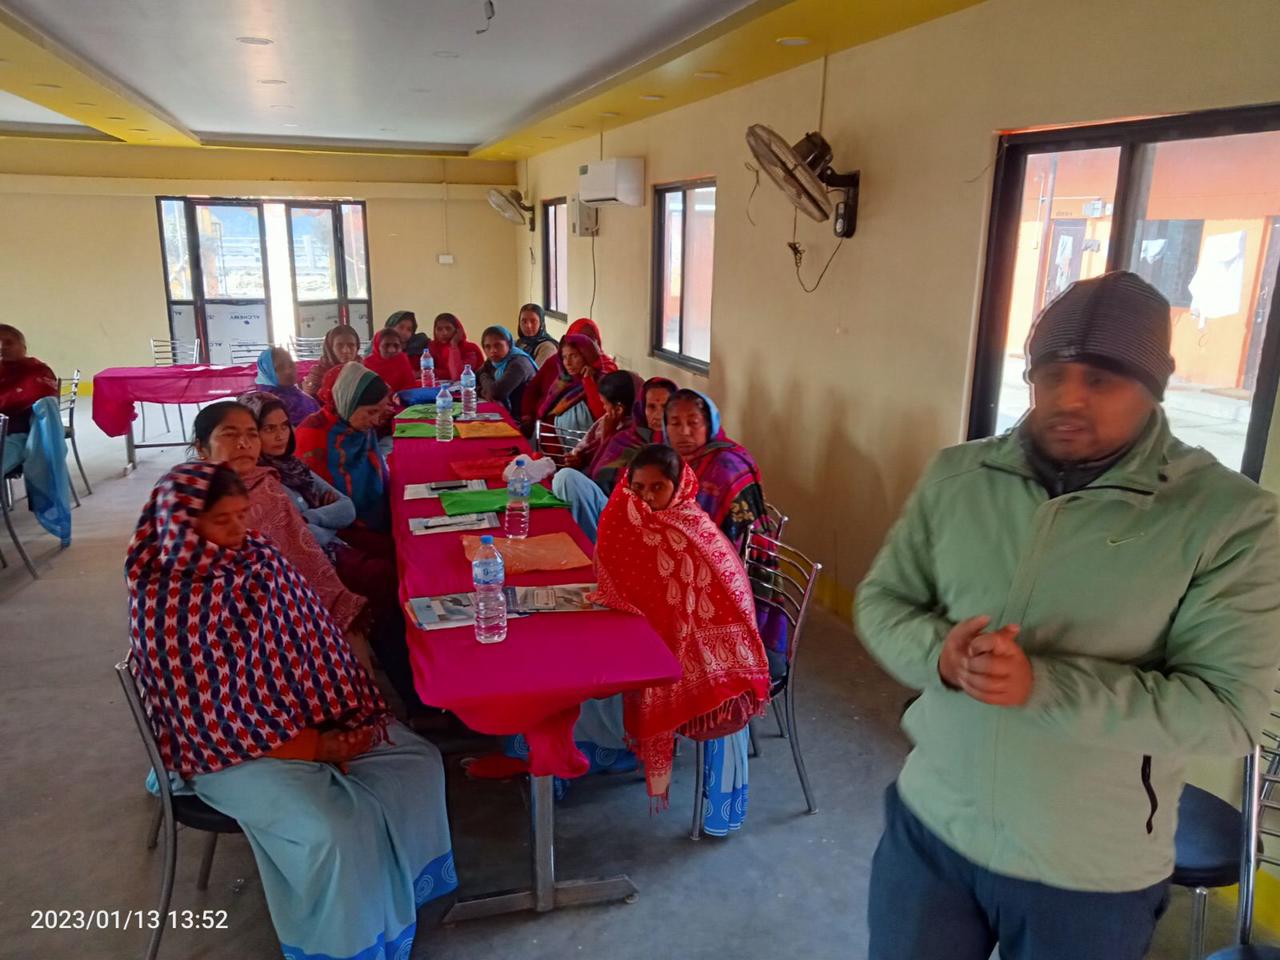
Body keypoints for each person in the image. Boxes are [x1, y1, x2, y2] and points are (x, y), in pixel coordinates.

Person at [856, 271, 1280, 960]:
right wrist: (941, 655)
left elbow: (1226, 711)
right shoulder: (958, 479)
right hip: (932, 827)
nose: (1068, 398)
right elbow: (882, 601)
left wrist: (1043, 687)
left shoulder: (1226, 519)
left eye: (1100, 379)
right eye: (1050, 375)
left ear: (1155, 386)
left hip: (1088, 871)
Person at [126, 462, 457, 960]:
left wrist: (339, 717)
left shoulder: (257, 558)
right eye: (222, 520)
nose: (239, 530)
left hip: (296, 718)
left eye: (242, 514)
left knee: (416, 764)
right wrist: (313, 747)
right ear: (180, 524)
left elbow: (311, 643)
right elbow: (203, 714)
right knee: (336, 829)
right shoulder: (165, 597)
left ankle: (398, 906)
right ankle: (347, 946)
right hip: (224, 753)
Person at [592, 444, 770, 830]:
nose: (646, 497)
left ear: (680, 486)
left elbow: (720, 603)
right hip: (671, 638)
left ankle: (721, 812)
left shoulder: (691, 529)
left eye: (657, 487)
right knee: (601, 660)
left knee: (711, 694)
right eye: (638, 487)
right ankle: (603, 750)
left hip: (722, 659)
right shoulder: (628, 521)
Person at [191, 401, 367, 638]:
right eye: (230, 435)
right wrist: (322, 524)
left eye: (251, 434)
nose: (244, 443)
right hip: (243, 623)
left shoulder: (268, 481)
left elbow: (309, 535)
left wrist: (309, 521)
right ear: (201, 448)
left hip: (304, 590)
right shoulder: (192, 498)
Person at [238, 391, 355, 549]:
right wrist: (331, 521)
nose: (280, 436)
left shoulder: (293, 466)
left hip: (335, 548)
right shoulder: (256, 481)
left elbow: (348, 508)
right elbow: (306, 537)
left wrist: (309, 517)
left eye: (284, 426)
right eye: (269, 429)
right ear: (250, 433)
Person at [664, 389, 767, 552]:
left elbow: (741, 539)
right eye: (675, 423)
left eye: (693, 423)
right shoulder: (670, 461)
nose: (684, 432)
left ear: (709, 424)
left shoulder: (728, 466)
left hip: (732, 558)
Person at [295, 363, 393, 533]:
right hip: (334, 530)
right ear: (348, 402)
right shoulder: (313, 436)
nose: (376, 420)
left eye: (380, 412)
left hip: (373, 517)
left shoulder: (356, 426)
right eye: (371, 412)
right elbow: (319, 503)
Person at [520, 317, 617, 433]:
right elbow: (533, 388)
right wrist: (526, 416)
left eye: (590, 341)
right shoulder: (558, 361)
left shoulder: (604, 371)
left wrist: (588, 381)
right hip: (539, 430)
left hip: (575, 438)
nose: (568, 362)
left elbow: (603, 416)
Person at [590, 376, 677, 496]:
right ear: (642, 408)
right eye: (651, 407)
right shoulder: (625, 438)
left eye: (665, 407)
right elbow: (600, 474)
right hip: (614, 500)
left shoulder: (680, 443)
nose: (658, 415)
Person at [0, 324, 58, 473]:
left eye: (8, 342)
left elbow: (28, 398)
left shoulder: (36, 371)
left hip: (19, 435)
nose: (2, 347)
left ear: (23, 348)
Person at [535, 335, 608, 448]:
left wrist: (588, 381)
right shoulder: (563, 381)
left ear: (587, 356)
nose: (568, 363)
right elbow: (543, 412)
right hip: (548, 448)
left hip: (582, 452)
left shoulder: (602, 383)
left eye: (574, 356)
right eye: (564, 357)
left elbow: (601, 418)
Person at [476, 325, 537, 416]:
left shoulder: (519, 363)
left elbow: (496, 392)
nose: (493, 350)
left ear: (509, 344)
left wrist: (483, 377)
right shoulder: (494, 360)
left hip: (522, 417)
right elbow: (474, 379)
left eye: (498, 345)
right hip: (505, 412)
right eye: (487, 347)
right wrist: (484, 391)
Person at [254, 346, 320, 425]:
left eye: (291, 364)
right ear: (266, 372)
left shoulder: (296, 393)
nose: (288, 371)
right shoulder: (266, 404)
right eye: (279, 368)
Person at [301, 325, 361, 399]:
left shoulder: (364, 371)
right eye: (339, 346)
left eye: (351, 345)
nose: (346, 350)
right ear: (330, 348)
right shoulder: (317, 375)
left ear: (357, 347)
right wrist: (306, 393)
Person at [427, 312, 484, 382]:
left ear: (458, 330)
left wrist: (454, 345)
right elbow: (426, 373)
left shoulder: (470, 348)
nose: (444, 333)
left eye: (448, 328)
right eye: (439, 329)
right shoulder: (433, 347)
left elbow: (458, 376)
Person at [364, 329, 417, 395]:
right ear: (377, 345)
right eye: (386, 345)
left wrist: (398, 396)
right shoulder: (367, 364)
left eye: (396, 345)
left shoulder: (402, 360)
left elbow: (410, 387)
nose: (392, 350)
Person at [514, 303, 558, 368]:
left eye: (533, 321)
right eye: (524, 321)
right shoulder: (518, 343)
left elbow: (533, 373)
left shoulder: (548, 348)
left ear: (541, 324)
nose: (528, 326)